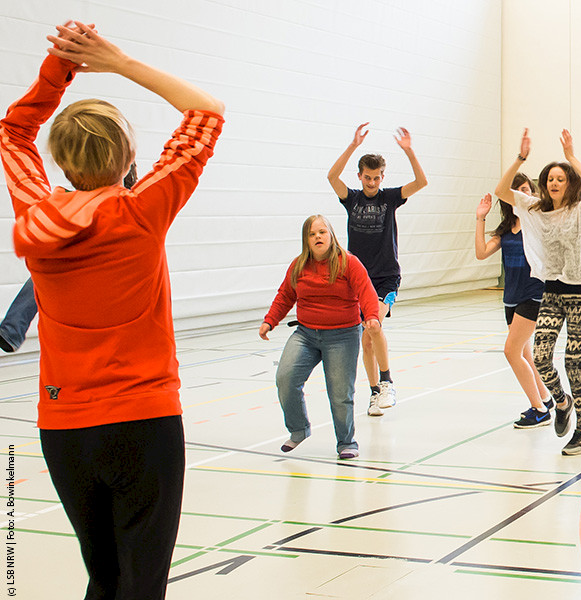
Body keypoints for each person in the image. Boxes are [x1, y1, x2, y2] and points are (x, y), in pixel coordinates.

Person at [0, 21, 224, 599]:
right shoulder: (144, 209)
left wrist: (60, 68)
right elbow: (207, 111)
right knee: (142, 584)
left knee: (103, 578)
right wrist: (114, 61)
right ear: (128, 156)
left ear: (62, 161)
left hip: (65, 428)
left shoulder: (35, 216)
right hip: (143, 422)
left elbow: (14, 133)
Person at [495, 128, 581, 455]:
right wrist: (520, 158)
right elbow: (501, 190)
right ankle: (561, 401)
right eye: (550, 179)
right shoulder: (534, 210)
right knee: (541, 357)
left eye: (561, 178)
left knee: (573, 363)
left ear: (569, 183)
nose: (555, 183)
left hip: (580, 294)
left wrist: (571, 157)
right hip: (552, 292)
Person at [259, 215, 381, 459]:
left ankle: (346, 442)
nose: (318, 237)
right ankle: (299, 430)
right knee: (285, 378)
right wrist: (269, 320)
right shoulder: (298, 265)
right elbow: (285, 295)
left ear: (331, 235)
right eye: (312, 234)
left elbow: (366, 290)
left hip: (343, 334)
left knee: (339, 393)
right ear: (306, 240)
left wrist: (372, 317)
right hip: (306, 333)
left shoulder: (348, 262)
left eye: (322, 232)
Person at [327, 123, 427, 416]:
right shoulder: (352, 199)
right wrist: (352, 146)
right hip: (357, 278)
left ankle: (387, 382)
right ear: (360, 176)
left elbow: (421, 182)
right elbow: (332, 176)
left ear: (383, 178)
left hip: (385, 277)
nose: (372, 182)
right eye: (367, 178)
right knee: (366, 339)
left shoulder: (389, 198)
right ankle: (373, 393)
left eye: (376, 178)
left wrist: (409, 151)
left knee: (373, 324)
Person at [0, 163, 138, 354]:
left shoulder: (127, 205)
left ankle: (12, 329)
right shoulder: (93, 200)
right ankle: (12, 329)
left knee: (49, 274)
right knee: (48, 273)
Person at [474, 179, 553, 428]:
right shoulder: (506, 229)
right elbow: (481, 252)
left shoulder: (539, 223)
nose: (521, 194)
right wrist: (480, 218)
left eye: (525, 190)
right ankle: (545, 397)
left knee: (511, 351)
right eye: (516, 191)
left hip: (534, 294)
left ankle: (539, 411)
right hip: (511, 297)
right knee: (524, 352)